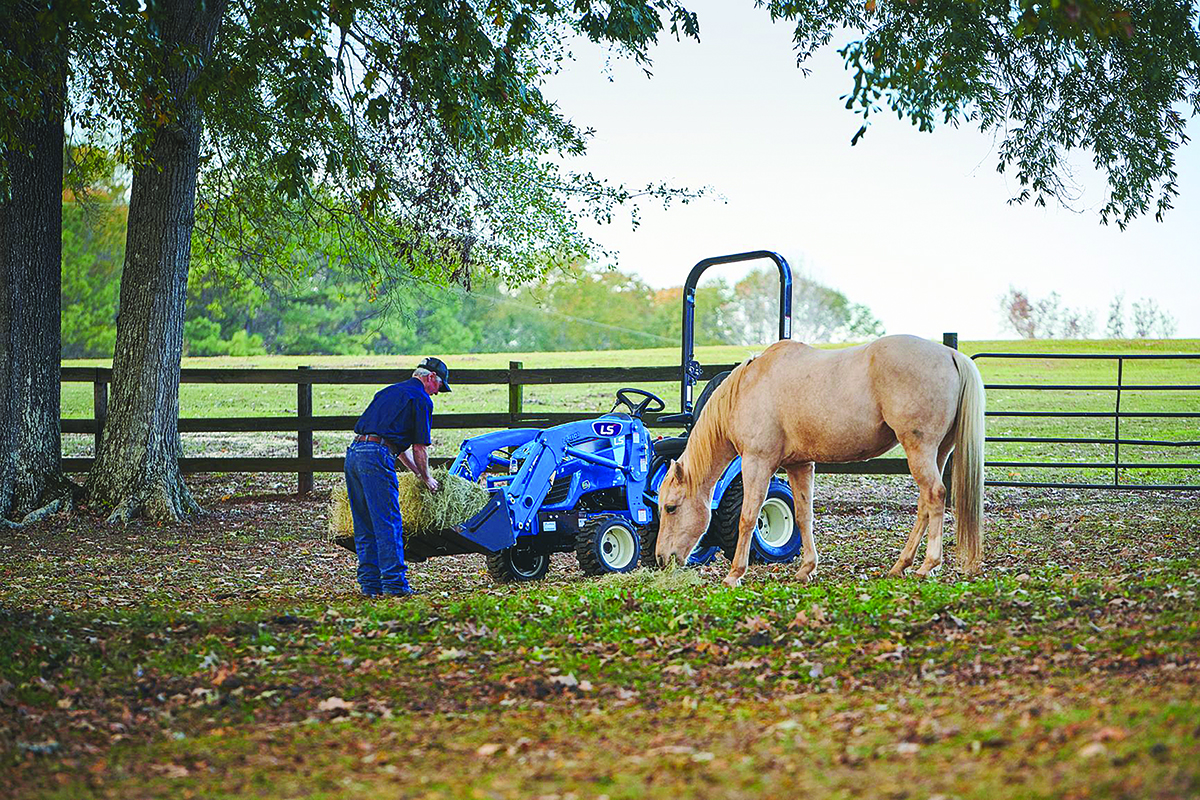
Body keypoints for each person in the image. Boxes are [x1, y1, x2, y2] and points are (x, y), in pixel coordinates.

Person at [343, 357, 451, 596]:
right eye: (439, 387)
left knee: (364, 524)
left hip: (354, 453)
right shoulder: (421, 399)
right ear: (431, 378)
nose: (437, 393)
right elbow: (419, 447)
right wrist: (427, 477)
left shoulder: (388, 392)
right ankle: (395, 585)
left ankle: (370, 585)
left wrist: (415, 472)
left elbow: (396, 445)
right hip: (376, 457)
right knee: (388, 522)